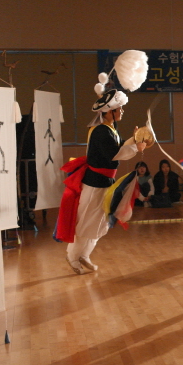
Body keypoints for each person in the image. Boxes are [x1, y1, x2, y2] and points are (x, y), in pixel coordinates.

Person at [56, 50, 149, 275]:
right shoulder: (100, 132)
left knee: (99, 223)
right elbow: (113, 154)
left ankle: (85, 255)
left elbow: (115, 149)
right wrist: (136, 147)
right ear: (110, 112)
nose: (122, 111)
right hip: (95, 182)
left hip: (104, 182)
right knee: (86, 221)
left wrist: (134, 140)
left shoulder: (109, 129)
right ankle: (73, 257)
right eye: (120, 109)